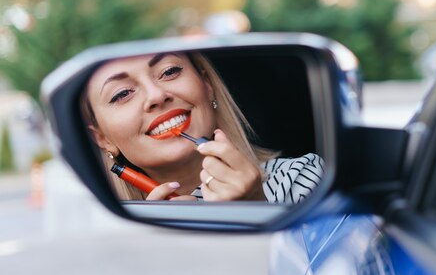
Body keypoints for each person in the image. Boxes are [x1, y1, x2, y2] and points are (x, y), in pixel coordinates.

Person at [81, 51, 323, 204]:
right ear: (102, 137)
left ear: (206, 85)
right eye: (122, 94)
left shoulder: (299, 179)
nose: (156, 95)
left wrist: (253, 208)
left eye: (169, 71)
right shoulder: (112, 233)